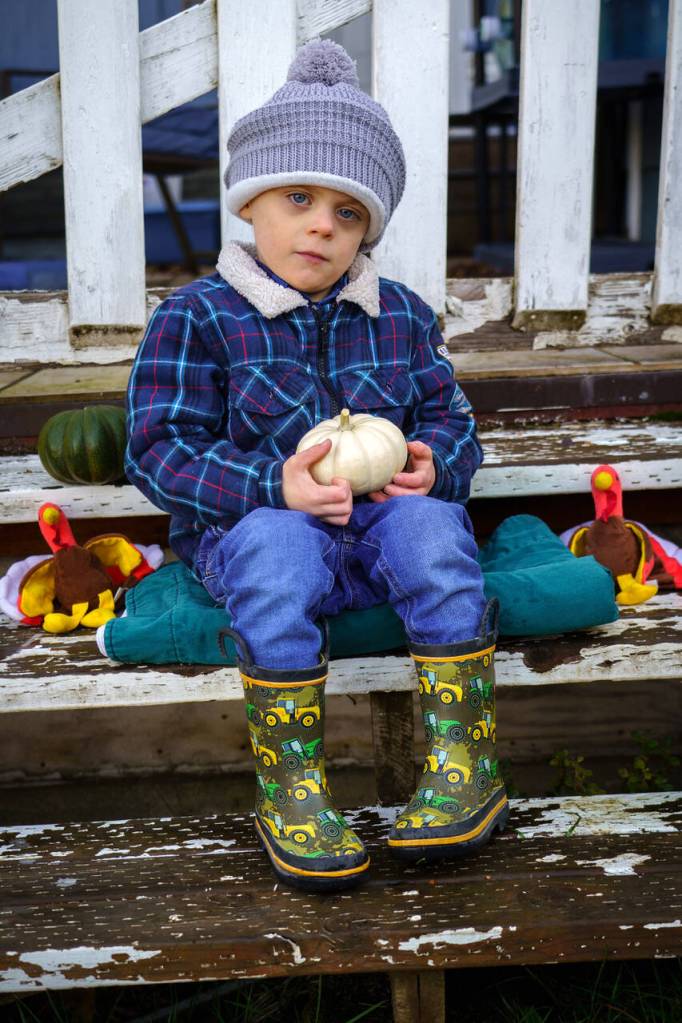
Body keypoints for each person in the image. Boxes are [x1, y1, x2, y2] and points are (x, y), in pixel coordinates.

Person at [126, 39, 507, 893]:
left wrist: (431, 462)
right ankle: (293, 790)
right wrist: (273, 485)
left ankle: (464, 765)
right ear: (250, 202)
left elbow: (451, 418)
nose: (323, 224)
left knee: (433, 525)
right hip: (264, 540)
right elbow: (156, 449)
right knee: (275, 542)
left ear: (368, 228)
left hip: (381, 535)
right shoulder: (198, 317)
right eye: (299, 197)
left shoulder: (400, 314)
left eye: (349, 210)